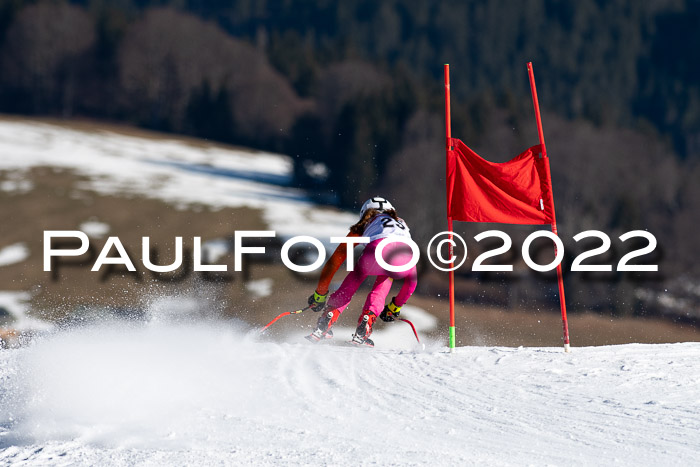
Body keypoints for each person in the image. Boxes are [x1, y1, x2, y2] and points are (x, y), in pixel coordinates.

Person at [306, 197, 418, 346]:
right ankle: (366, 323)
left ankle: (329, 316)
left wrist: (320, 293)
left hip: (376, 252)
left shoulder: (364, 224)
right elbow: (411, 283)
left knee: (357, 274)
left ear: (365, 213)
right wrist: (395, 307)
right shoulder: (401, 222)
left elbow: (335, 261)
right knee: (386, 277)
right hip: (407, 258)